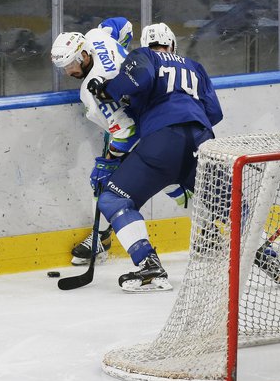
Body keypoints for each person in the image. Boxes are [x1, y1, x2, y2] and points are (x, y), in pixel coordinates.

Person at [86, 22, 222, 292]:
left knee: (113, 199)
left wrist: (108, 89)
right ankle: (270, 259)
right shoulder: (195, 66)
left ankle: (148, 264)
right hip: (202, 140)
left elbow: (141, 77)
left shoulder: (144, 56)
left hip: (163, 141)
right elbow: (214, 112)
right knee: (228, 205)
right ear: (172, 43)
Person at [51, 17, 139, 266]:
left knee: (104, 183)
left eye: (71, 65)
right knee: (173, 181)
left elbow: (126, 131)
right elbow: (122, 24)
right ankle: (100, 236)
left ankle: (100, 238)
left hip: (143, 128)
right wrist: (124, 59)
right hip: (148, 113)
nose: (69, 73)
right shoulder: (97, 36)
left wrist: (109, 161)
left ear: (84, 56)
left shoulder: (92, 89)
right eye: (64, 68)